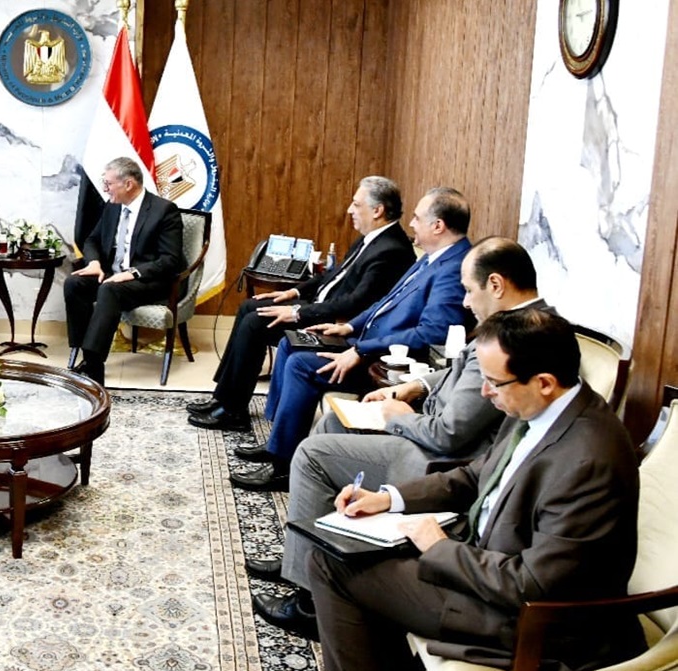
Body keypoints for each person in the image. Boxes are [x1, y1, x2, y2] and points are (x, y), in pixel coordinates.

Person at [307, 308, 643, 671]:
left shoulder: (587, 460)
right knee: (344, 546)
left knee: (330, 564)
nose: (485, 392)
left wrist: (440, 548)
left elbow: (532, 584)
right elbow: (473, 476)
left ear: (545, 382)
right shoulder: (538, 406)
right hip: (482, 566)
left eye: (494, 382)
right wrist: (389, 498)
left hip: (529, 620)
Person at [250, 237, 548, 639]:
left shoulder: (518, 337)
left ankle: (310, 604)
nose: (464, 302)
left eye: (468, 290)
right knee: (333, 424)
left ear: (496, 285)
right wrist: (417, 385)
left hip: (442, 457)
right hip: (432, 430)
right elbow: (459, 370)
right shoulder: (523, 323)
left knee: (313, 454)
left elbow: (450, 434)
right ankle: (303, 562)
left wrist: (400, 419)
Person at [230, 187, 473, 492]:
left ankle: (282, 468)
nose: (411, 223)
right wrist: (348, 327)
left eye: (417, 217)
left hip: (386, 362)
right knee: (292, 341)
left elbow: (432, 333)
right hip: (367, 341)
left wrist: (360, 349)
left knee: (302, 365)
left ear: (437, 226)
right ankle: (278, 443)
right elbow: (385, 302)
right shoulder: (433, 258)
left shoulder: (453, 269)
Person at [189, 176, 415, 431]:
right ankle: (223, 397)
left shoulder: (391, 250)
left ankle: (233, 412)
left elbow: (356, 302)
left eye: (356, 204)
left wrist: (297, 312)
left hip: (336, 322)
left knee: (255, 323)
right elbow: (333, 275)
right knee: (249, 306)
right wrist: (294, 291)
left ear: (377, 210)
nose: (350, 210)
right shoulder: (371, 238)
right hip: (321, 306)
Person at [63, 157, 185, 385]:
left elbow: (171, 260)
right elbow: (92, 240)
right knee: (74, 283)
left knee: (109, 289)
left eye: (108, 184)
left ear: (128, 184)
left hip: (149, 280)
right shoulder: (112, 206)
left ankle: (93, 364)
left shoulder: (164, 211)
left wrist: (133, 273)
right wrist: (94, 262)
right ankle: (80, 350)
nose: (105, 189)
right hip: (113, 276)